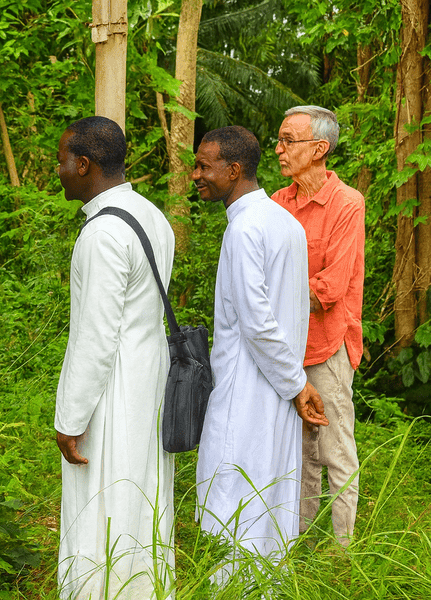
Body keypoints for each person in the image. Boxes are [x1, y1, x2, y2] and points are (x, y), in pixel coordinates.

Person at [192, 126, 329, 572]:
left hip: (248, 392)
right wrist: (296, 383)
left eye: (203, 166)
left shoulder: (246, 228)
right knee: (268, 504)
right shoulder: (284, 222)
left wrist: (296, 384)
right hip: (277, 389)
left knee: (235, 508)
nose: (196, 175)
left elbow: (257, 322)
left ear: (233, 171)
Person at [54, 116, 175, 599]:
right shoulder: (153, 216)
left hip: (114, 387)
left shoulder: (102, 234)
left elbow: (96, 338)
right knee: (141, 496)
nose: (57, 170)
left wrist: (71, 416)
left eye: (61, 161)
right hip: (148, 374)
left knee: (100, 499)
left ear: (84, 165)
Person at [272, 106, 365, 547]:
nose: (279, 149)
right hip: (287, 348)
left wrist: (274, 292)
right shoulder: (277, 202)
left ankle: (345, 557)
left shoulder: (347, 203)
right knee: (299, 452)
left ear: (319, 148)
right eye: (279, 139)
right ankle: (302, 547)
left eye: (289, 140)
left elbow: (332, 286)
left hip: (327, 345)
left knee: (334, 448)